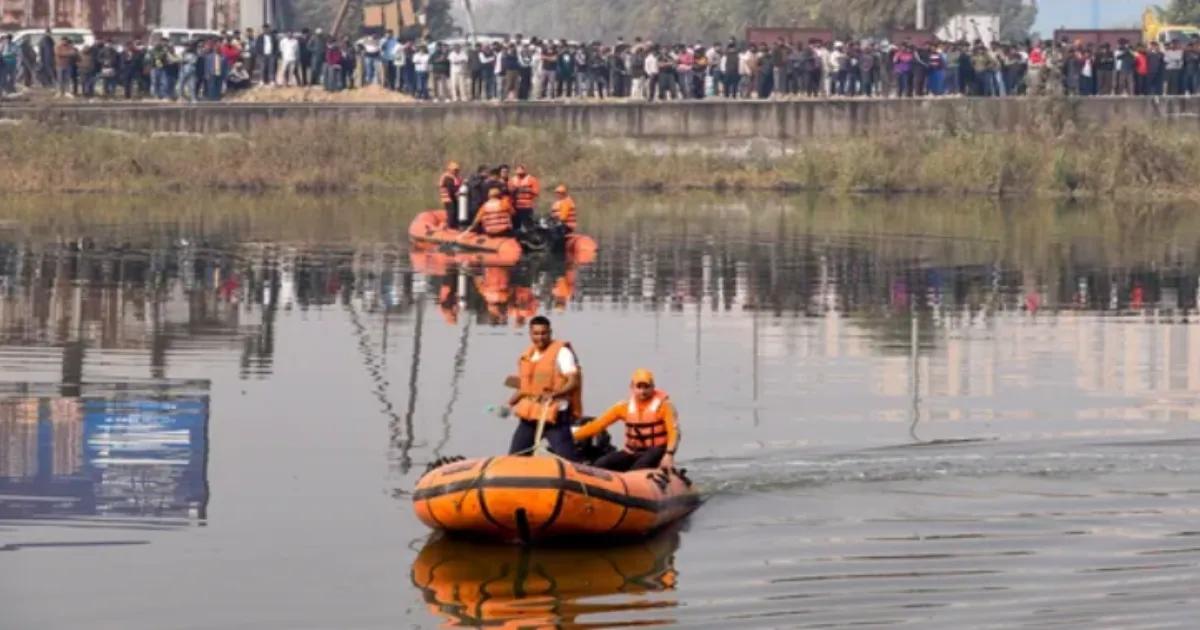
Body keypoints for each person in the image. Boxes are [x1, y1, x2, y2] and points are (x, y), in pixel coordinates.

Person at [502, 315, 582, 460]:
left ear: (550, 333)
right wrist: (509, 404)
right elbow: (525, 389)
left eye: (544, 333)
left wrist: (554, 394)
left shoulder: (562, 353)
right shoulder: (529, 356)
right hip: (531, 417)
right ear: (530, 334)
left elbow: (573, 382)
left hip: (554, 417)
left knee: (568, 460)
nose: (540, 338)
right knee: (515, 457)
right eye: (536, 334)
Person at [573, 369, 678, 471]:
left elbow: (674, 432)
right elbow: (598, 425)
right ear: (632, 387)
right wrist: (571, 437)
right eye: (639, 387)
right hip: (632, 452)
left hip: (655, 451)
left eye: (646, 387)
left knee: (637, 468)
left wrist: (669, 454)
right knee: (601, 464)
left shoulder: (664, 406)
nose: (643, 391)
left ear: (653, 387)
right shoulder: (624, 407)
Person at [508, 165, 540, 230]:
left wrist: (527, 190)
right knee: (516, 226)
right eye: (518, 174)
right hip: (515, 207)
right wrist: (513, 190)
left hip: (527, 207)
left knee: (528, 226)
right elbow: (508, 192)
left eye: (521, 174)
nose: (520, 175)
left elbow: (536, 192)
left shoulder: (532, 179)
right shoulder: (512, 180)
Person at [439, 161, 463, 228]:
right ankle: (451, 227)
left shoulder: (456, 177)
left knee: (457, 212)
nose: (456, 171)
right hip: (448, 199)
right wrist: (458, 193)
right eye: (454, 170)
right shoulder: (448, 178)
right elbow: (451, 190)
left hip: (454, 198)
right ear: (450, 170)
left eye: (457, 170)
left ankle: (456, 226)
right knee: (452, 213)